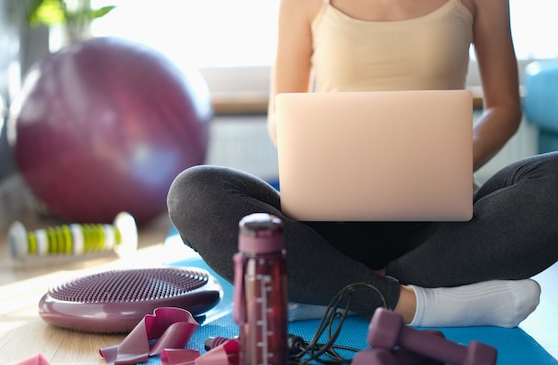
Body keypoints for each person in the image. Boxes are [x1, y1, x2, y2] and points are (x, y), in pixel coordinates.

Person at [167, 0, 558, 327]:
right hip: (328, 224)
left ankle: (326, 290)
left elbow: (504, 108)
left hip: (441, 224)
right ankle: (419, 304)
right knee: (193, 191)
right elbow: (281, 116)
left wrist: (443, 165)